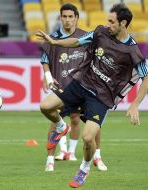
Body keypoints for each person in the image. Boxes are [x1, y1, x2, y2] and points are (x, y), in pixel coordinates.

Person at [37, 3, 148, 188]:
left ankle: (84, 168)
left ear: (123, 23)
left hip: (101, 98)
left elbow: (146, 79)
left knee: (88, 138)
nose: (108, 24)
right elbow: (76, 42)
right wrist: (54, 42)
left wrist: (135, 104)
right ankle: (60, 127)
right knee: (45, 106)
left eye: (112, 22)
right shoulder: (101, 33)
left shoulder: (133, 51)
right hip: (81, 84)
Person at [41, 3, 107, 172]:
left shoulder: (85, 37)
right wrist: (47, 77)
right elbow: (45, 60)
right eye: (65, 16)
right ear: (60, 18)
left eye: (71, 17)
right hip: (63, 87)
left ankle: (97, 157)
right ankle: (49, 160)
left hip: (85, 87)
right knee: (54, 123)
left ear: (77, 18)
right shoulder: (53, 38)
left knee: (93, 123)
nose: (68, 20)